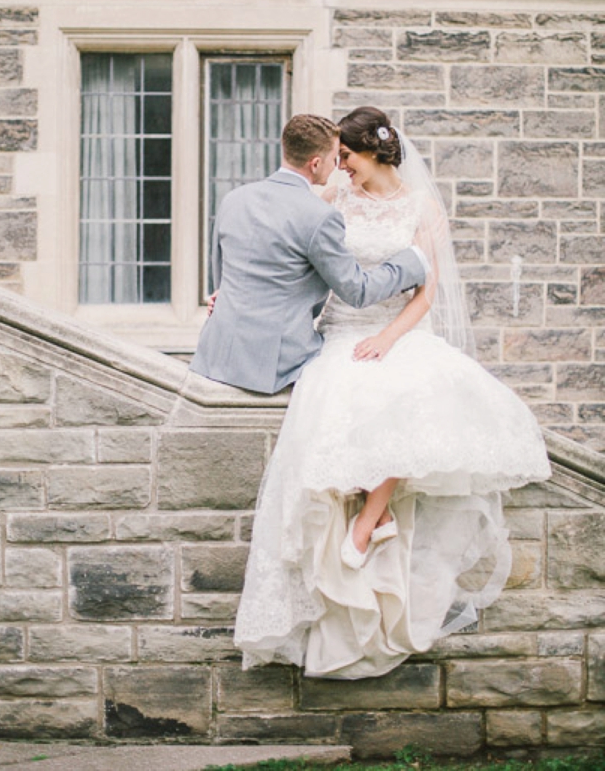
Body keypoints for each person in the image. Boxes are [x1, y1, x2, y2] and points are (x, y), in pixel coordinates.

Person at [234, 106, 551, 679]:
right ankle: (360, 538)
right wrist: (230, 296)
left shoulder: (423, 208)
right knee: (336, 413)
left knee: (415, 400)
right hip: (341, 333)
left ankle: (372, 514)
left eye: (347, 158)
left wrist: (386, 337)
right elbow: (297, 260)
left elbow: (426, 295)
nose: (340, 169)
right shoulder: (335, 201)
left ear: (371, 152)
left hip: (397, 331)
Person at [190, 114, 428, 394]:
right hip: (274, 362)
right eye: (333, 158)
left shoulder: (234, 199)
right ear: (315, 163)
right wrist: (414, 260)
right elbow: (357, 291)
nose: (337, 166)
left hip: (215, 352)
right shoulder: (320, 216)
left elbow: (224, 274)